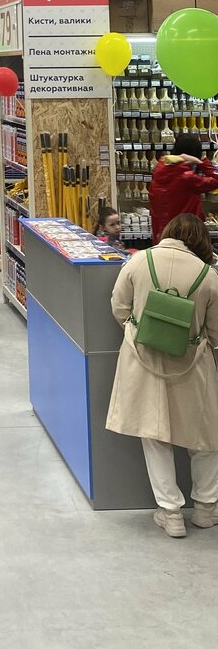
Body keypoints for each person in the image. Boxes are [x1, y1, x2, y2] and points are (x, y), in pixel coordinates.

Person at [107, 213, 218, 537]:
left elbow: (119, 306)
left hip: (143, 361)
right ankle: (206, 509)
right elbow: (216, 331)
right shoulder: (208, 276)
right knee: (205, 436)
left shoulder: (139, 261)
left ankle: (170, 513)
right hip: (192, 363)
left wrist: (140, 330)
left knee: (154, 434)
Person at [149, 134, 218, 243]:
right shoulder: (187, 178)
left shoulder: (159, 170)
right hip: (186, 235)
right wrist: (202, 162)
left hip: (162, 234)